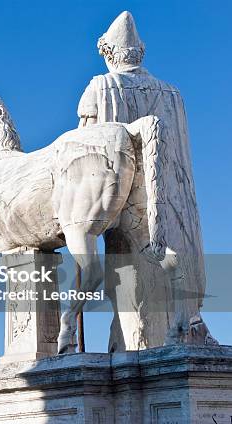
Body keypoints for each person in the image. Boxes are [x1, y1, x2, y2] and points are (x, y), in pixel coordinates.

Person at [77, 11, 216, 351]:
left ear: (109, 53)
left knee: (129, 291)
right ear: (140, 52)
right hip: (173, 206)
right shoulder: (172, 94)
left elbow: (79, 155)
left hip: (124, 208)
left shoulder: (100, 87)